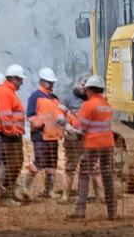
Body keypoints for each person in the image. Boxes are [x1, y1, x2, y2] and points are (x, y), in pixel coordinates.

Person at [67, 75, 116, 220]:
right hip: (107, 144)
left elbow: (80, 126)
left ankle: (80, 210)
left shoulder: (88, 105)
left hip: (92, 145)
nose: (85, 92)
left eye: (87, 89)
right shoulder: (107, 105)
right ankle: (112, 212)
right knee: (107, 175)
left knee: (84, 174)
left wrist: (69, 124)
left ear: (91, 90)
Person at [24, 67, 65, 199]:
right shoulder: (35, 96)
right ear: (42, 81)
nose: (52, 84)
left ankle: (49, 191)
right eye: (49, 82)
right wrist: (39, 124)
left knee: (52, 164)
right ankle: (25, 186)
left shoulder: (54, 98)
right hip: (40, 136)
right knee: (39, 161)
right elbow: (30, 115)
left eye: (52, 82)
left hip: (53, 135)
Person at [0, 63, 27, 207]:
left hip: (13, 135)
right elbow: (5, 116)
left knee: (16, 163)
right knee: (12, 164)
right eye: (20, 79)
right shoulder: (5, 92)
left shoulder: (9, 91)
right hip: (9, 136)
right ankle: (5, 197)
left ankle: (9, 193)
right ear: (14, 79)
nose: (22, 82)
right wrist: (12, 132)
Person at [58, 75, 88, 204]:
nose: (84, 88)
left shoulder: (90, 100)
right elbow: (58, 114)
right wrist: (67, 125)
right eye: (82, 84)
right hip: (72, 137)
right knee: (70, 167)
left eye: (87, 86)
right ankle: (65, 196)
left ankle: (83, 197)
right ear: (77, 84)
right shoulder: (68, 99)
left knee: (86, 168)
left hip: (88, 138)